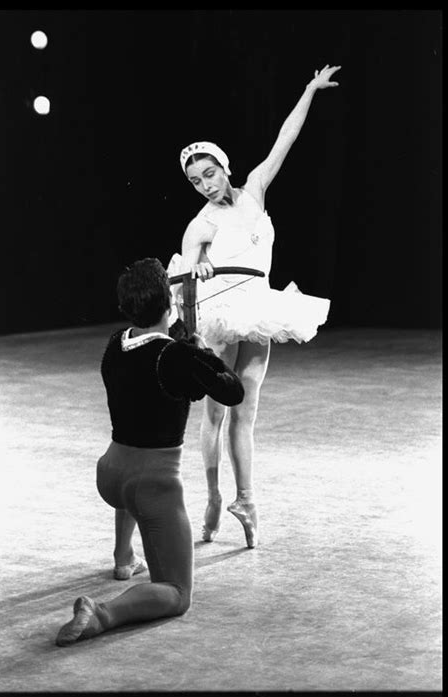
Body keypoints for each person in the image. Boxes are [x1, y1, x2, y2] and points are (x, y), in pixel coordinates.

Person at [167, 64, 341, 549]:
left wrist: (308, 89)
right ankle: (212, 494)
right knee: (216, 414)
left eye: (210, 173)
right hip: (223, 315)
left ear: (224, 167)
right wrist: (199, 267)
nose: (205, 184)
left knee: (247, 412)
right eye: (196, 180)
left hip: (260, 306)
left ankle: (245, 498)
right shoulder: (200, 222)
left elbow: (286, 138)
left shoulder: (256, 189)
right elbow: (185, 274)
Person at [55, 258, 244, 646]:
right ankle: (102, 613)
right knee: (176, 593)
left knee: (131, 487)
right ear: (169, 304)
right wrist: (203, 352)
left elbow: (153, 346)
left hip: (111, 474)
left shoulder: (116, 342)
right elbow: (232, 391)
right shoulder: (177, 356)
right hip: (151, 485)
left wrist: (181, 342)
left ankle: (124, 558)